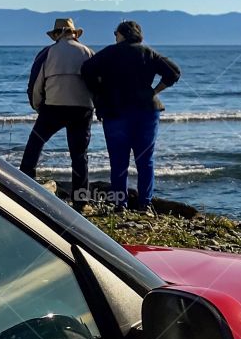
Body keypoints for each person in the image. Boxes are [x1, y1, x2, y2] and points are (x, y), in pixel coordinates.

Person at [81, 20, 180, 213]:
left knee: (118, 160)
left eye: (115, 33)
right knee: (145, 160)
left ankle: (120, 204)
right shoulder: (148, 52)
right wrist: (154, 91)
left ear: (122, 34)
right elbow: (174, 72)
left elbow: (86, 70)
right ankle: (145, 204)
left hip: (115, 111)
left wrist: (100, 92)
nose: (115, 36)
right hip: (146, 110)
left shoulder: (110, 52)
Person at [19, 17, 94, 205]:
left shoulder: (48, 52)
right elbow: (97, 82)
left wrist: (37, 105)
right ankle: (80, 200)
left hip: (54, 107)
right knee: (79, 155)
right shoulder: (89, 52)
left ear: (57, 34)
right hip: (82, 108)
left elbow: (36, 83)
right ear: (74, 34)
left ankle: (23, 186)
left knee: (34, 145)